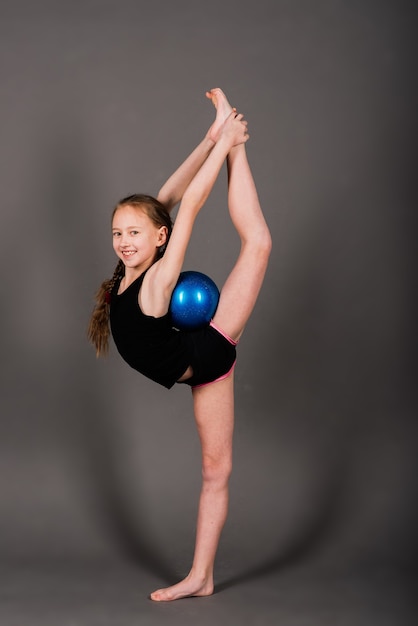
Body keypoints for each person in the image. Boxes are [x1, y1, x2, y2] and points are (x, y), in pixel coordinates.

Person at [88, 88, 272, 601]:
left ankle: (238, 145)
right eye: (118, 233)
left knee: (258, 243)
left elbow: (186, 206)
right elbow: (164, 199)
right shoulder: (129, 272)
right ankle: (203, 577)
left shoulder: (155, 282)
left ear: (159, 241)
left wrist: (225, 146)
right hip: (197, 362)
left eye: (135, 234)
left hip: (206, 351)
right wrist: (209, 138)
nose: (126, 241)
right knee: (216, 471)